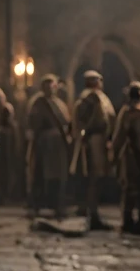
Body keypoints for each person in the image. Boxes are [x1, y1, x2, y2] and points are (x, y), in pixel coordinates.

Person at [112, 81, 140, 235]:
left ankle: (128, 220)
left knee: (129, 188)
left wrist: (115, 153)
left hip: (128, 155)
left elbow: (118, 136)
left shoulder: (125, 112)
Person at [73, 69, 115, 231]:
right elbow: (93, 121)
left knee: (96, 178)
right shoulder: (91, 98)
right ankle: (92, 213)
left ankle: (92, 212)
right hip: (94, 140)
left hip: (99, 139)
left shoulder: (96, 97)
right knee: (94, 177)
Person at [27, 74, 71, 219]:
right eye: (46, 86)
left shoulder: (59, 103)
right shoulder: (38, 102)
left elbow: (66, 122)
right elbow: (34, 122)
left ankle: (57, 205)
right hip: (44, 144)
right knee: (40, 174)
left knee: (58, 176)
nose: (49, 89)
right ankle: (37, 206)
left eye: (52, 86)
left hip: (58, 146)